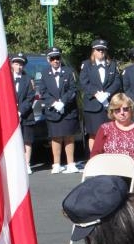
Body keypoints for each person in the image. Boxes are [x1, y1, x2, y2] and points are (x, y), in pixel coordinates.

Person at [38, 46, 81, 174]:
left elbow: (73, 89)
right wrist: (53, 103)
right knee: (55, 137)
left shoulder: (68, 71)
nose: (55, 60)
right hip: (53, 110)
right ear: (48, 60)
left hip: (67, 109)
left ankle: (70, 163)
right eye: (53, 58)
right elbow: (42, 91)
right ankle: (56, 164)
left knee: (69, 136)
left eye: (57, 58)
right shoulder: (44, 73)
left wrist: (63, 102)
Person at [79, 39, 122, 150]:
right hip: (93, 105)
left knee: (110, 133)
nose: (101, 52)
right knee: (94, 134)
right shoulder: (86, 65)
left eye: (103, 50)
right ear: (94, 51)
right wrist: (96, 94)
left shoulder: (112, 64)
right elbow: (83, 82)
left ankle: (108, 158)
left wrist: (108, 93)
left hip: (109, 105)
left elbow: (117, 81)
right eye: (98, 49)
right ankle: (94, 159)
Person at [90, 93, 134, 169]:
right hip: (108, 170)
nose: (122, 113)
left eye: (126, 109)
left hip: (132, 170)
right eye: (117, 110)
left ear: (131, 110)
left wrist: (129, 163)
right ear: (112, 112)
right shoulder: (104, 128)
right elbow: (95, 154)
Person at [10, 52, 36, 174]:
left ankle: (27, 164)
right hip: (10, 115)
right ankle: (14, 165)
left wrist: (20, 111)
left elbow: (30, 97)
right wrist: (12, 110)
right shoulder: (7, 80)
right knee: (12, 140)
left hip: (26, 114)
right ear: (12, 64)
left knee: (27, 140)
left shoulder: (28, 79)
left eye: (21, 64)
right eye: (16, 63)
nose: (19, 66)